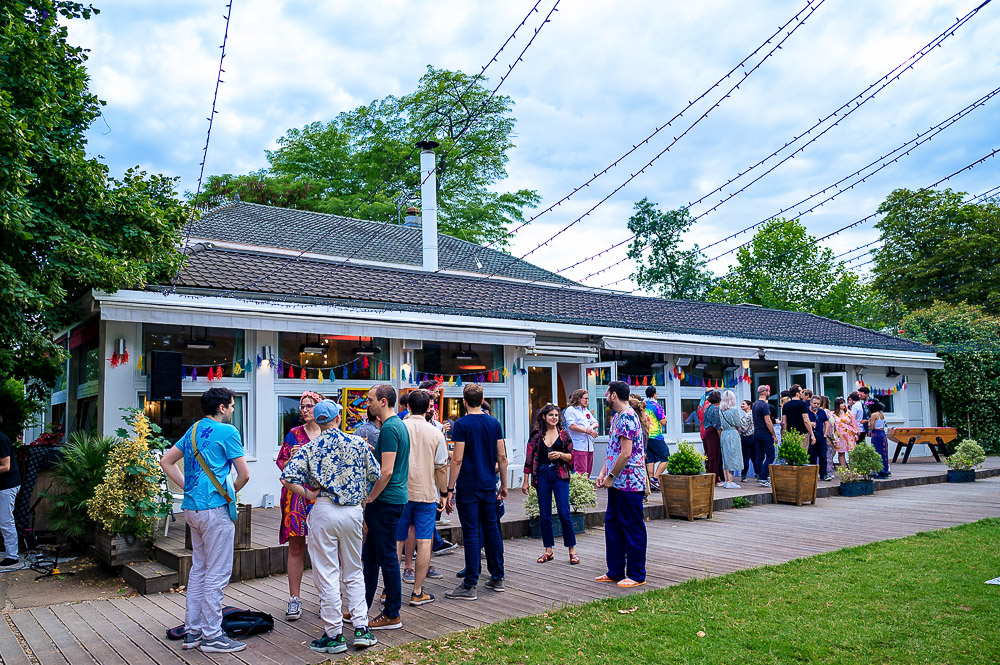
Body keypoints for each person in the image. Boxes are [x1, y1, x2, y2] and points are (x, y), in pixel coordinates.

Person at [280, 399, 380, 654]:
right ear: (338, 418)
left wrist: (308, 494)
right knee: (354, 570)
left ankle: (334, 633)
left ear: (318, 420)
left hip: (323, 510)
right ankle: (361, 628)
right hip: (352, 511)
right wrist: (364, 495)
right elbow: (375, 475)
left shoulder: (309, 448)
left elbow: (286, 476)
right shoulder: (358, 443)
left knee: (326, 572)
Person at [159, 387, 250, 654]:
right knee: (217, 573)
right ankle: (212, 636)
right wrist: (227, 494)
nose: (233, 409)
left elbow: (166, 461)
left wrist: (188, 487)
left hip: (191, 509)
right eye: (232, 405)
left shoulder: (194, 430)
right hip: (215, 510)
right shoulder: (229, 432)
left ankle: (193, 631)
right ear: (221, 408)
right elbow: (244, 475)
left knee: (199, 569)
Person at [445, 383, 508, 600]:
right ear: (482, 400)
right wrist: (505, 484)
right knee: (492, 530)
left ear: (464, 401)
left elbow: (458, 458)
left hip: (468, 486)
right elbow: (502, 457)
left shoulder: (461, 424)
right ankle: (497, 576)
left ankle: (470, 583)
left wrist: (449, 488)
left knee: (471, 532)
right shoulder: (494, 422)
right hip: (489, 483)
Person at [363, 384, 410, 631]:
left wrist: (370, 498)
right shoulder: (395, 426)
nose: (367, 404)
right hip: (392, 499)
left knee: (388, 557)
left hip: (386, 500)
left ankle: (392, 612)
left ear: (383, 401)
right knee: (370, 557)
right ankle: (362, 607)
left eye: (370, 400)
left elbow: (387, 471)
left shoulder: (391, 428)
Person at [397, 389, 449, 607]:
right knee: (424, 540)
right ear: (429, 407)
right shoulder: (436, 433)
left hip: (400, 492)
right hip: (427, 493)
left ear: (408, 406)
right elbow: (441, 468)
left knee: (397, 541)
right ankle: (417, 591)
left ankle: (389, 591)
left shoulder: (398, 428)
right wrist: (444, 493)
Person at [275, 390, 323, 622]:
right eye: (302, 406)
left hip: (322, 496)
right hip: (296, 497)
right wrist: (292, 459)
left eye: (309, 405)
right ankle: (294, 599)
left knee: (323, 548)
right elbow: (281, 463)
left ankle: (326, 598)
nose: (304, 410)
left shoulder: (328, 434)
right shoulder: (294, 434)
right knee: (296, 547)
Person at [594, 381, 646, 588]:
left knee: (632, 526)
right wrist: (602, 473)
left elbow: (626, 453)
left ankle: (636, 574)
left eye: (607, 393)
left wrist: (611, 476)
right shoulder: (616, 418)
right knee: (613, 525)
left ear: (613, 395)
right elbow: (613, 450)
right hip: (617, 482)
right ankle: (615, 571)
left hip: (630, 483)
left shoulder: (628, 417)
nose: (605, 396)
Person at [521, 404, 579, 565]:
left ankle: (572, 551)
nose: (554, 418)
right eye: (551, 415)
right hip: (542, 475)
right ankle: (548, 550)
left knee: (564, 512)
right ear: (544, 417)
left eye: (556, 415)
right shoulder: (536, 436)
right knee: (545, 514)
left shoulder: (564, 434)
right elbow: (528, 459)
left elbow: (572, 456)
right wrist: (525, 481)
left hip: (560, 474)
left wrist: (560, 454)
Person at [563, 389, 599, 476]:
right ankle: (579, 489)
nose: (587, 401)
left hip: (589, 446)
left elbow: (595, 423)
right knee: (580, 472)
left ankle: (585, 488)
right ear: (579, 399)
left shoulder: (586, 411)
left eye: (588, 399)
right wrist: (587, 430)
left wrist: (590, 428)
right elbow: (571, 425)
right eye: (585, 398)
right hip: (578, 446)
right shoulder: (571, 410)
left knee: (588, 472)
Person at [0, 414, 20, 568]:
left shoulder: (1, 440)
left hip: (7, 486)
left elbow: (6, 466)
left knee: (6, 521)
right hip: (3, 485)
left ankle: (12, 556)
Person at [643, 386, 669, 491]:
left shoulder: (643, 406)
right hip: (656, 436)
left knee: (650, 459)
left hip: (646, 436)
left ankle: (650, 483)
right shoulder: (656, 406)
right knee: (666, 457)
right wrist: (665, 418)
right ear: (654, 395)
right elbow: (663, 422)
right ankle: (655, 478)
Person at [752, 385, 777, 488]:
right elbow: (768, 421)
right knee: (771, 455)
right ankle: (763, 477)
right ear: (766, 392)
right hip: (765, 433)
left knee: (759, 456)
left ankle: (759, 475)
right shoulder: (764, 405)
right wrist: (774, 435)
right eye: (769, 391)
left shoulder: (754, 404)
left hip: (756, 432)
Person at [718, 390, 743, 489]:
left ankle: (726, 480)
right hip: (732, 433)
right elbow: (737, 423)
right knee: (732, 457)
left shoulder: (720, 410)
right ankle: (730, 481)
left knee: (725, 458)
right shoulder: (734, 410)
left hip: (724, 434)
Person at [807, 395, 833, 481]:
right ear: (810, 403)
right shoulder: (806, 411)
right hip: (810, 437)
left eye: (818, 404)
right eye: (814, 403)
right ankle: (812, 475)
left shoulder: (822, 412)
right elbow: (804, 422)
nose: (816, 405)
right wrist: (810, 423)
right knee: (811, 456)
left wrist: (825, 434)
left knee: (823, 456)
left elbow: (826, 423)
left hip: (821, 436)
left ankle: (824, 474)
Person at [701, 391, 724, 485]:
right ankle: (715, 479)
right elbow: (717, 425)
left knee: (708, 456)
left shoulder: (707, 408)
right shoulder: (716, 409)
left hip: (706, 432)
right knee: (715, 456)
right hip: (712, 433)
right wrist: (720, 436)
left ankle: (709, 476)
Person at [831, 397, 859, 468]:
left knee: (852, 452)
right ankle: (844, 470)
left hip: (849, 434)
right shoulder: (833, 414)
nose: (843, 404)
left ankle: (853, 469)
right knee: (841, 453)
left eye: (844, 402)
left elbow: (854, 424)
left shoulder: (848, 413)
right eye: (841, 403)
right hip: (839, 436)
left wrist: (856, 433)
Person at [869, 401, 890, 479]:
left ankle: (880, 471)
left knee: (877, 451)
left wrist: (869, 421)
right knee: (883, 452)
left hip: (876, 434)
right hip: (882, 433)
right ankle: (885, 470)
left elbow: (871, 427)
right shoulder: (881, 414)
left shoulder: (874, 415)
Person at [738, 399, 756, 482]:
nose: (742, 405)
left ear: (749, 406)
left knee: (745, 457)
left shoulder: (746, 416)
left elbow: (744, 429)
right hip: (754, 437)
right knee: (754, 457)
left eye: (743, 404)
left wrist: (738, 429)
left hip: (747, 438)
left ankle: (744, 475)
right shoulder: (754, 414)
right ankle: (758, 474)